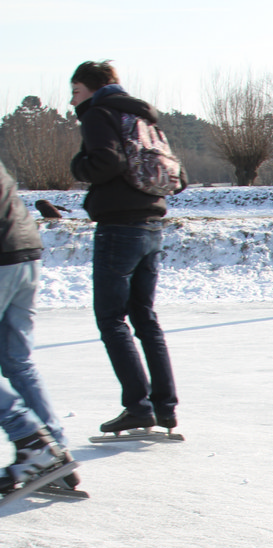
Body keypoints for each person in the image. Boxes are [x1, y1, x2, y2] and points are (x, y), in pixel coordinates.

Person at [70, 60, 182, 435]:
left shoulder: (98, 113)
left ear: (93, 89)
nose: (73, 101)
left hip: (119, 226)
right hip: (152, 223)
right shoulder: (141, 115)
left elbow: (106, 162)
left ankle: (138, 406)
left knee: (111, 318)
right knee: (145, 318)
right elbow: (176, 173)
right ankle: (165, 407)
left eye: (76, 92)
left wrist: (78, 165)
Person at [0, 160, 78, 495]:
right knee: (17, 360)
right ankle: (54, 451)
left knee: (17, 360)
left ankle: (32, 440)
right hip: (24, 249)